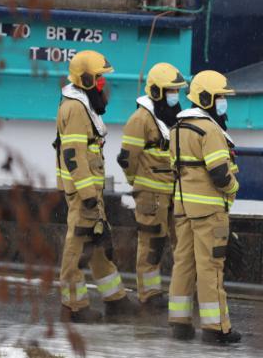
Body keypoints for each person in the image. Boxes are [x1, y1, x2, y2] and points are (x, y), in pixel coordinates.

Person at [54, 50, 138, 323]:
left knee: (98, 242)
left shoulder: (82, 105)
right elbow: (74, 156)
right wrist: (89, 196)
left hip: (90, 190)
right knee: (76, 248)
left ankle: (115, 300)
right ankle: (74, 307)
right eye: (100, 78)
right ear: (87, 80)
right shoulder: (76, 108)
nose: (104, 84)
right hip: (83, 192)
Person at [167, 70, 241, 344]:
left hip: (183, 207)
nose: (224, 102)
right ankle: (216, 328)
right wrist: (234, 188)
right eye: (220, 97)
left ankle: (179, 323)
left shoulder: (177, 128)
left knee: (183, 264)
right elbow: (220, 173)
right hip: (209, 211)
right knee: (211, 267)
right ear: (207, 98)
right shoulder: (209, 129)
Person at [117, 62, 187, 310]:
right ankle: (149, 294)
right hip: (151, 194)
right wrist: (139, 185)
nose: (174, 96)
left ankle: (182, 292)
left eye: (176, 91)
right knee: (151, 244)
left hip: (173, 192)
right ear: (157, 92)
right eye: (170, 91)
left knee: (181, 242)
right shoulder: (140, 119)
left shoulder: (173, 117)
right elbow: (127, 159)